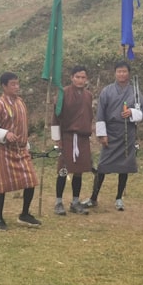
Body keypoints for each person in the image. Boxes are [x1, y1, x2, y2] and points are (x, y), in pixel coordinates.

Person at [0, 71, 41, 230]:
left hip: (21, 150)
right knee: (1, 186)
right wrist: (5, 134)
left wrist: (26, 144)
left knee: (31, 180)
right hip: (3, 151)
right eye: (13, 84)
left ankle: (25, 214)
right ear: (4, 86)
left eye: (17, 83)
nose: (16, 87)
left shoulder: (21, 102)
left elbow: (23, 126)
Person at [84, 60, 143, 210]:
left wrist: (132, 113)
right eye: (119, 71)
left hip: (126, 133)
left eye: (124, 71)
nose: (122, 74)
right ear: (115, 73)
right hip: (110, 132)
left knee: (124, 167)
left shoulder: (135, 92)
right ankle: (94, 197)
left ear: (128, 73)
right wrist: (102, 134)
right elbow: (100, 114)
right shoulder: (107, 91)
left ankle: (118, 198)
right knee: (103, 165)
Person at [50, 65, 93, 216]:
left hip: (82, 138)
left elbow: (89, 116)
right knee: (63, 170)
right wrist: (57, 138)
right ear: (72, 78)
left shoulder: (88, 95)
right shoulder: (63, 93)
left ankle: (75, 201)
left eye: (83, 77)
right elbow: (56, 116)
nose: (80, 80)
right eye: (77, 77)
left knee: (79, 171)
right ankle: (58, 202)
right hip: (67, 137)